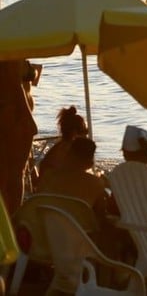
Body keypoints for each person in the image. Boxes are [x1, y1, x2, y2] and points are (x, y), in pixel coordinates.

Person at [0, 60, 39, 215]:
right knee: (14, 174)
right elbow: (15, 83)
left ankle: (10, 219)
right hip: (14, 113)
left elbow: (17, 81)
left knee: (12, 174)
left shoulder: (12, 49)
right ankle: (11, 219)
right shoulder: (9, 54)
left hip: (15, 114)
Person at [39, 105, 89, 181]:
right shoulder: (68, 151)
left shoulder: (59, 147)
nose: (86, 136)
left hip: (47, 188)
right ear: (74, 133)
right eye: (84, 131)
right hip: (56, 189)